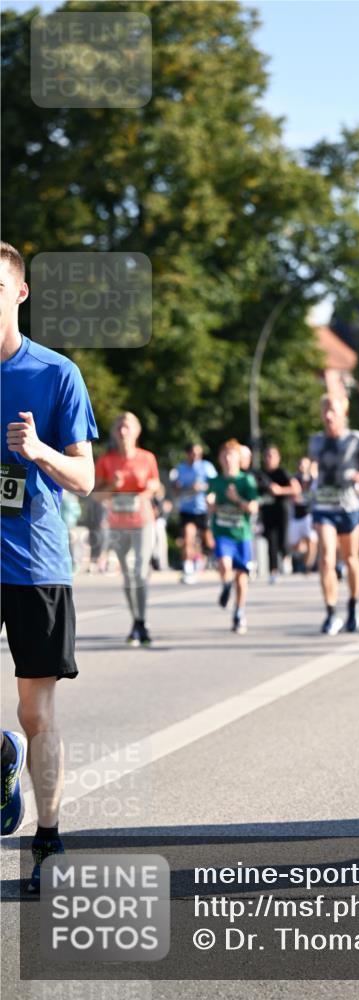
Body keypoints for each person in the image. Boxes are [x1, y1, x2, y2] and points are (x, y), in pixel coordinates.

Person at [0, 241, 97, 892]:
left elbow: (86, 477)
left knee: (37, 715)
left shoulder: (55, 373)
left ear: (20, 293)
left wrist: (38, 452)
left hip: (35, 566)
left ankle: (49, 838)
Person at [309, 394, 359, 635]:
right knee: (326, 558)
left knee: (351, 557)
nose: (329, 415)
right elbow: (311, 465)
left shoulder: (356, 439)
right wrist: (306, 471)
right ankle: (331, 612)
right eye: (325, 411)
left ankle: (353, 605)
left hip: (349, 507)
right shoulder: (316, 441)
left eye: (333, 410)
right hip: (323, 507)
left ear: (344, 412)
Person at [94, 413, 160, 645]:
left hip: (143, 521)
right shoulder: (106, 461)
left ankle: (141, 621)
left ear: (136, 431)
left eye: (128, 427)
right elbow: (95, 495)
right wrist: (113, 485)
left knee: (141, 572)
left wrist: (151, 487)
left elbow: (156, 486)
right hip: (117, 524)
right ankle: (136, 620)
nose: (123, 432)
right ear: (114, 432)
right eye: (120, 427)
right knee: (128, 575)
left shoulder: (147, 458)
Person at [207, 439, 259, 634]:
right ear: (220, 459)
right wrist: (210, 503)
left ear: (239, 459)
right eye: (225, 455)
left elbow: (253, 507)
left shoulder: (246, 481)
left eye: (232, 455)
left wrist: (236, 499)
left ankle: (239, 611)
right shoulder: (216, 481)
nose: (228, 459)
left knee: (241, 577)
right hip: (222, 532)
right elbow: (210, 498)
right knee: (224, 564)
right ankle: (225, 585)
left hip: (241, 534)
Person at [171, 443, 216, 584]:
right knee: (187, 536)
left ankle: (209, 558)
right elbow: (175, 489)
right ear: (188, 454)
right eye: (193, 453)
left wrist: (201, 487)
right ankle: (188, 568)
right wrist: (180, 487)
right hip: (187, 509)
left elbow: (216, 484)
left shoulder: (206, 467)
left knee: (209, 541)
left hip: (203, 509)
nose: (196, 456)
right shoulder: (181, 468)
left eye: (199, 453)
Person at [256, 445, 299, 584]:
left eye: (272, 456)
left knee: (283, 539)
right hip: (267, 511)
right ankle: (273, 571)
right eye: (267, 456)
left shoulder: (282, 473)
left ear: (278, 458)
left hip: (282, 510)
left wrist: (280, 490)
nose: (269, 459)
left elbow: (296, 489)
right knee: (271, 541)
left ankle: (286, 556)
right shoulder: (261, 474)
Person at [288, 455, 318, 574]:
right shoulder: (294, 479)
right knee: (296, 546)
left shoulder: (314, 480)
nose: (302, 466)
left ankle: (307, 566)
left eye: (305, 464)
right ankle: (300, 559)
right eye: (300, 464)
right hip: (296, 516)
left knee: (312, 540)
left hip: (309, 515)